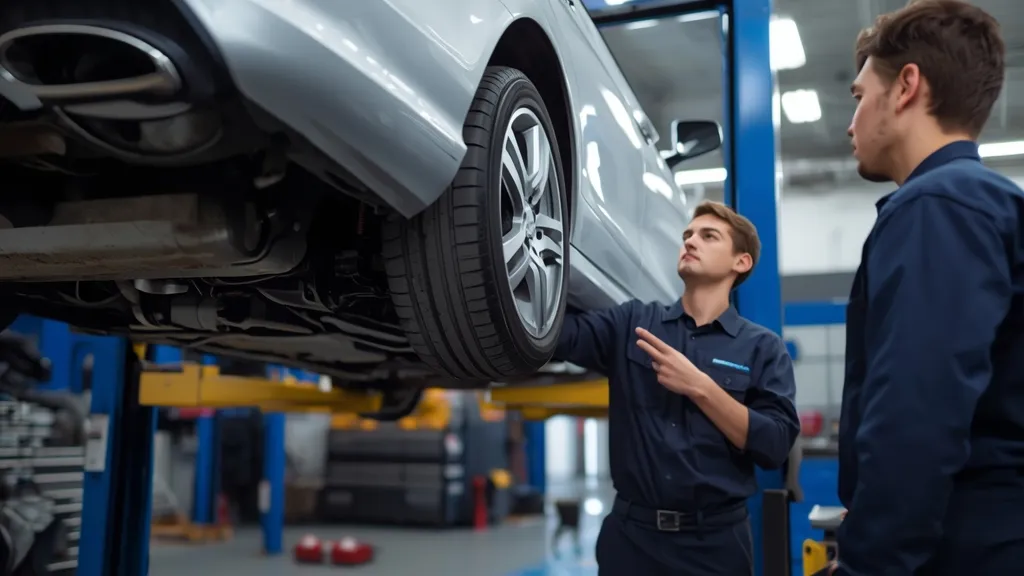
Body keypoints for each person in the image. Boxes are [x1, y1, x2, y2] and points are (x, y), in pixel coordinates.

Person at [832, 1, 1024, 575]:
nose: (851, 123)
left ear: (906, 86)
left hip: (965, 544)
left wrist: (869, 563)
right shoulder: (989, 203)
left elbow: (916, 413)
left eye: (860, 96)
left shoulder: (938, 207)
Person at [553, 200, 800, 575]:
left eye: (708, 236)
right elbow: (558, 336)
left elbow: (775, 444)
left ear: (741, 262)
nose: (690, 241)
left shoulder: (763, 348)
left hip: (716, 547)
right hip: (631, 542)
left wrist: (701, 387)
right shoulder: (634, 324)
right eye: (688, 235)